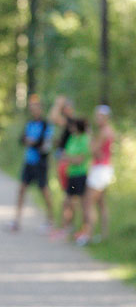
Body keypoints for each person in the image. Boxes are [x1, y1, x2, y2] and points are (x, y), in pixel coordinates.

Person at [7, 94, 54, 232]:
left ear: (40, 109)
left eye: (36, 108)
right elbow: (22, 139)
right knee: (21, 189)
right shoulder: (30, 124)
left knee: (44, 190)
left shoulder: (46, 124)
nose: (34, 111)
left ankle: (50, 219)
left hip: (40, 163)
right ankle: (16, 220)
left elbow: (44, 144)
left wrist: (32, 142)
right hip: (29, 161)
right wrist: (30, 141)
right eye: (32, 109)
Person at [79, 104, 116, 244]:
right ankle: (104, 236)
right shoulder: (109, 131)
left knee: (89, 202)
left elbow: (93, 150)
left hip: (100, 170)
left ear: (106, 117)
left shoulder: (104, 132)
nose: (97, 119)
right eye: (97, 116)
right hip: (104, 169)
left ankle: (88, 235)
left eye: (100, 116)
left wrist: (89, 137)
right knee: (101, 203)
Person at [61, 117, 91, 244]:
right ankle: (68, 227)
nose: (70, 128)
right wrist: (71, 158)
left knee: (83, 204)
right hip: (71, 174)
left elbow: (80, 160)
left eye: (73, 126)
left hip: (81, 174)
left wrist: (69, 158)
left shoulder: (85, 139)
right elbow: (65, 154)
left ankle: (85, 231)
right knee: (68, 202)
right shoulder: (72, 138)